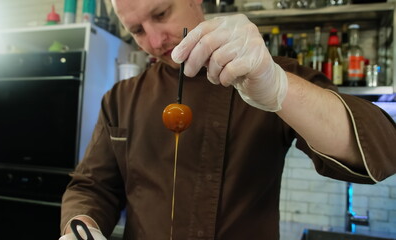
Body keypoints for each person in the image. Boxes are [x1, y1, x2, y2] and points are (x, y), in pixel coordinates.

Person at [59, 0, 396, 239]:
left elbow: (381, 148)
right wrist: (82, 225)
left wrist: (279, 88)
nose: (155, 41)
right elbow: (93, 185)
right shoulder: (121, 98)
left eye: (161, 14)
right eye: (136, 30)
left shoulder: (263, 73)